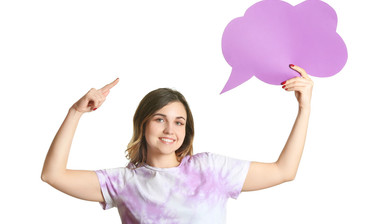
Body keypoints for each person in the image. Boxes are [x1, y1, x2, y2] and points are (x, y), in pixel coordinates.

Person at [41, 64, 313, 223]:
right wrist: (75, 112)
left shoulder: (211, 169)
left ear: (187, 129)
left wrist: (304, 108)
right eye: (160, 119)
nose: (170, 129)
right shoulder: (123, 182)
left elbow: (284, 171)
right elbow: (52, 175)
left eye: (179, 122)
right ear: (143, 124)